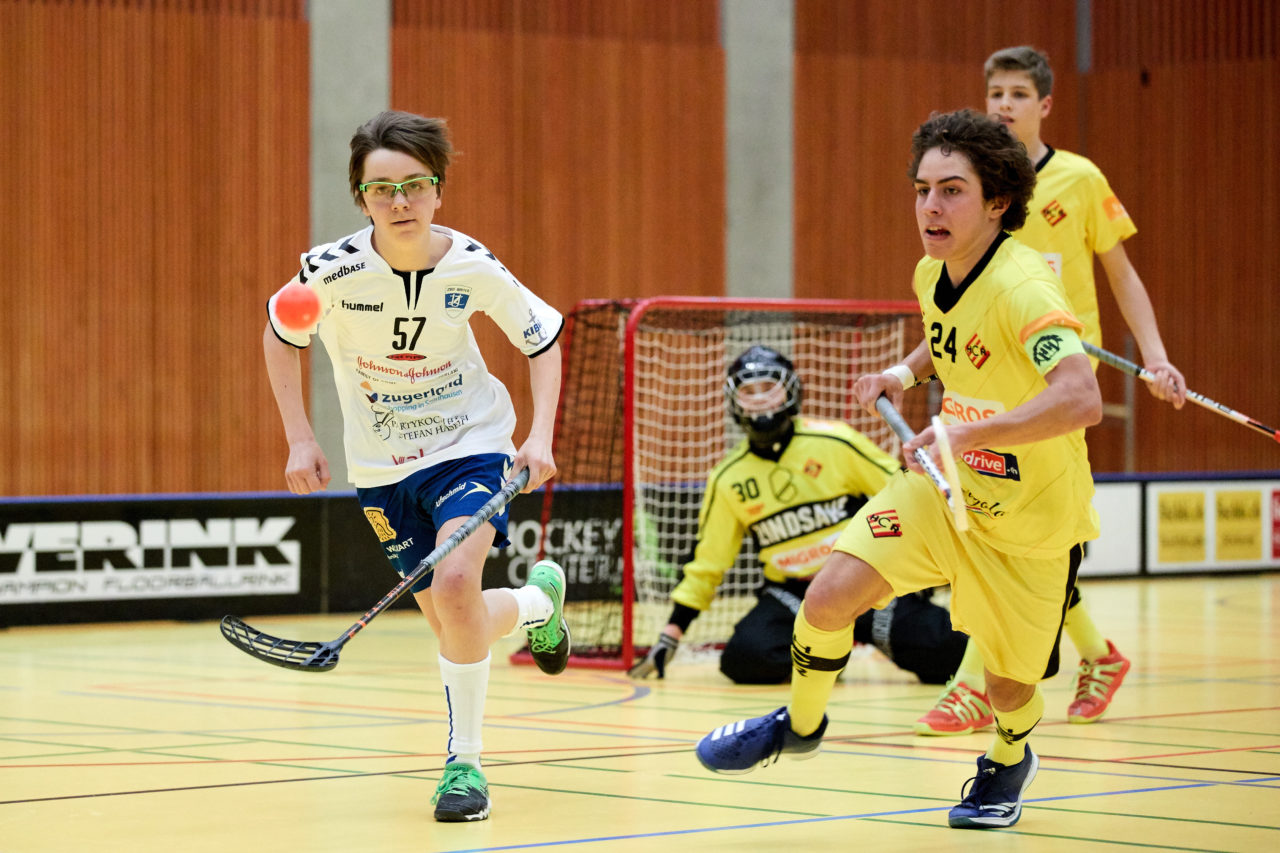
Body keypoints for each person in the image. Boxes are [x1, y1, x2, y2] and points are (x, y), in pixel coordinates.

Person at [694, 108, 1104, 831]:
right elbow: (948, 335)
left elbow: (1080, 397)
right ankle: (802, 723)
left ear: (998, 201)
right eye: (921, 190)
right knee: (827, 598)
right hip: (943, 490)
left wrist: (974, 430)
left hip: (1031, 519)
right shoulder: (931, 271)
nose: (930, 207)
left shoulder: (1025, 287)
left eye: (951, 190)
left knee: (1009, 691)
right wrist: (904, 372)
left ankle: (1010, 759)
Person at [262, 110, 570, 823]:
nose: (398, 202)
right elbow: (281, 334)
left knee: (457, 579)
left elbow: (544, 339)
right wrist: (300, 436)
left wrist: (542, 434)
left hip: (471, 445)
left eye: (414, 185)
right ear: (360, 196)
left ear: (438, 190)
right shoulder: (328, 271)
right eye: (380, 190)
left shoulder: (472, 266)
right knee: (455, 619)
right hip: (381, 469)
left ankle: (464, 763)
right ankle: (537, 604)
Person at [912, 45, 1187, 736]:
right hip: (986, 380)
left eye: (1016, 94)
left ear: (1045, 105)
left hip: (1058, 387)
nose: (1002, 104)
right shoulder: (973, 184)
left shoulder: (1080, 179)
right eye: (993, 93)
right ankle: (1095, 654)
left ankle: (974, 684)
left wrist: (1155, 357)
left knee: (1016, 529)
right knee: (1000, 527)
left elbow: (1121, 275)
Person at [627, 345, 968, 686]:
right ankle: (831, 653)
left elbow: (909, 491)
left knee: (952, 651)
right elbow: (707, 563)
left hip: (863, 584)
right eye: (749, 391)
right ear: (734, 402)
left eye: (769, 388)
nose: (759, 399)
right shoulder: (727, 478)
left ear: (789, 391)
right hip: (793, 595)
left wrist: (918, 573)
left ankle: (833, 647)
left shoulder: (835, 442)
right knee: (744, 658)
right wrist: (672, 633)